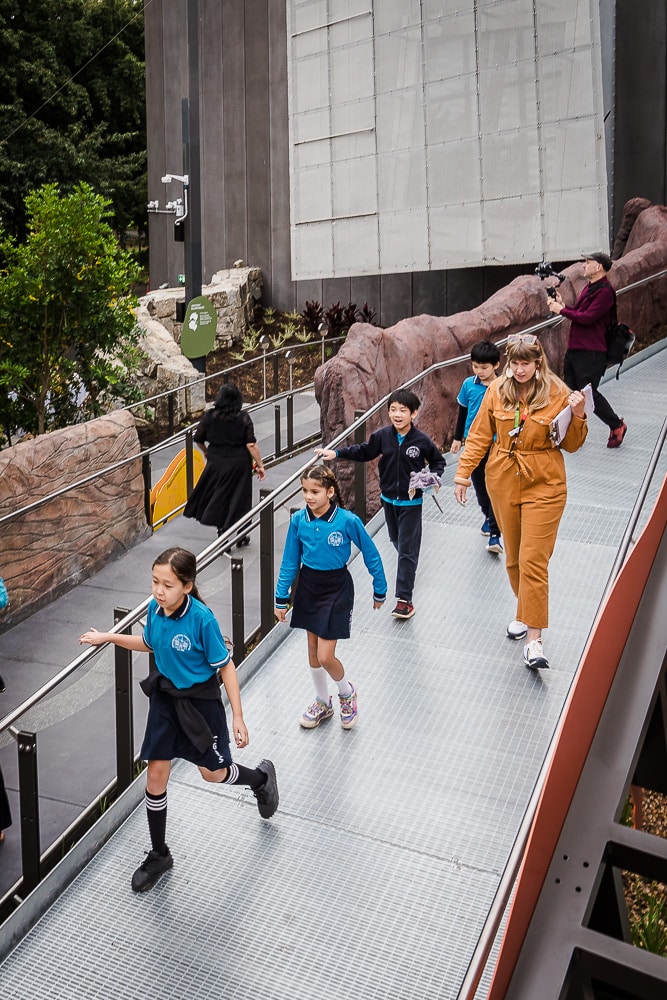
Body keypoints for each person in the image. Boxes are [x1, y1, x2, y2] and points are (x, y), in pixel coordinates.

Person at [80, 546, 278, 893]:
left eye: (167, 584)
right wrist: (108, 637)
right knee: (155, 774)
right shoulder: (156, 611)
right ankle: (160, 854)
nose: (159, 590)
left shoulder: (202, 619)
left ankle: (261, 779)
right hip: (165, 700)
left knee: (212, 773)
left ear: (187, 585)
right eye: (155, 581)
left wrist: (238, 716)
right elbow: (148, 643)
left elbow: (225, 666)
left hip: (200, 704)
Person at [453, 334, 587, 670]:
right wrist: (463, 472)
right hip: (503, 478)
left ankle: (534, 640)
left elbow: (571, 444)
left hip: (545, 480)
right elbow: (481, 434)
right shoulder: (498, 390)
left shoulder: (556, 391)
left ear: (538, 362)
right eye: (514, 362)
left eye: (525, 362)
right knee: (513, 557)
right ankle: (524, 612)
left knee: (533, 559)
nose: (519, 369)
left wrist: (579, 414)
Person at [316, 388, 445, 620]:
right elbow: (365, 451)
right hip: (388, 500)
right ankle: (409, 562)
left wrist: (429, 478)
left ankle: (404, 600)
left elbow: (438, 462)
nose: (397, 415)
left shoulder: (421, 441)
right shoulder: (383, 436)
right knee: (396, 541)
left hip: (411, 503)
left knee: (406, 550)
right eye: (393, 410)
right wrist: (336, 454)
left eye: (403, 411)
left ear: (414, 414)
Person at [274, 464, 387, 730]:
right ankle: (323, 702)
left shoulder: (347, 520)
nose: (309, 497)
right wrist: (281, 597)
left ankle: (346, 692)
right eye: (304, 491)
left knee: (326, 656)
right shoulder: (299, 520)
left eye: (315, 491)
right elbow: (290, 560)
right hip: (308, 586)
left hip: (336, 587)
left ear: (330, 491)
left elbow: (371, 553)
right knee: (313, 652)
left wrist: (379, 586)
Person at [548, 252, 627, 448]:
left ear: (599, 266)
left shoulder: (605, 292)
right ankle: (570, 432)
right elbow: (580, 312)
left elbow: (588, 317)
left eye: (587, 262)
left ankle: (617, 424)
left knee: (587, 394)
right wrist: (564, 305)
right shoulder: (591, 288)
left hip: (592, 351)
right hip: (575, 348)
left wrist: (561, 310)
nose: (583, 266)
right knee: (570, 392)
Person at [183, 383, 266, 545]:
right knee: (240, 498)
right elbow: (251, 444)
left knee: (220, 495)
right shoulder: (243, 417)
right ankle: (241, 534)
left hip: (216, 461)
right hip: (239, 463)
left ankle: (222, 532)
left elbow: (198, 438)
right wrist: (260, 464)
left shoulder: (210, 416)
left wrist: (206, 451)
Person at [450, 340, 503, 554]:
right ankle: (489, 516)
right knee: (480, 488)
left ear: (496, 365)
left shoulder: (502, 387)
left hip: (496, 443)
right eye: (475, 366)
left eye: (484, 367)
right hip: (473, 444)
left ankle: (495, 534)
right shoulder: (468, 385)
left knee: (495, 487)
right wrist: (457, 438)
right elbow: (463, 411)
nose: (479, 371)